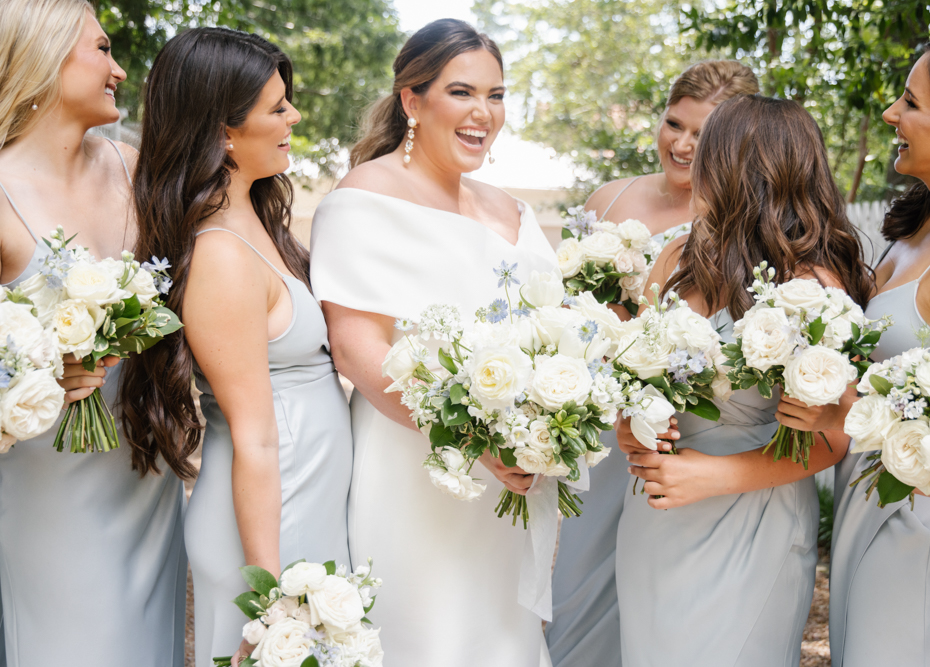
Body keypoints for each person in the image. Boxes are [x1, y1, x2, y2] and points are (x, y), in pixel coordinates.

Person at [309, 19, 558, 667]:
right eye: (462, 92)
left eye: (497, 95)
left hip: (511, 483)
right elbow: (358, 349)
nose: (484, 113)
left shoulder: (515, 213)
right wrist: (477, 441)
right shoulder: (364, 199)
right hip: (415, 469)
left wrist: (544, 430)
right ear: (411, 99)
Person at [615, 94, 875, 666]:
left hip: (754, 510)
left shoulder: (812, 285)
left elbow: (834, 438)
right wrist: (630, 427)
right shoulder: (676, 259)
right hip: (655, 514)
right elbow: (632, 380)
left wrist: (711, 475)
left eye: (708, 151)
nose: (693, 162)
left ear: (740, 168)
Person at [120, 28, 352, 667]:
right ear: (223, 132)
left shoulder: (257, 216)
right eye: (276, 107)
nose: (294, 117)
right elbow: (253, 435)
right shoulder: (221, 255)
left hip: (304, 495)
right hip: (270, 516)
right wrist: (269, 591)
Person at [546, 60, 759, 667]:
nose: (683, 144)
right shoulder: (609, 199)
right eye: (674, 123)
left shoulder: (735, 225)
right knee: (577, 585)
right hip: (596, 427)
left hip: (675, 436)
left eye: (705, 133)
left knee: (655, 602)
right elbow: (562, 315)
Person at [0, 1, 186, 664]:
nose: (119, 67)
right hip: (47, 475)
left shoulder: (132, 166)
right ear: (47, 56)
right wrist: (41, 366)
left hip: (142, 461)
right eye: (102, 49)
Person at [817, 31, 930, 666]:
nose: (892, 114)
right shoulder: (912, 234)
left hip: (925, 528)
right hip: (868, 501)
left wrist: (845, 405)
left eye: (910, 103)